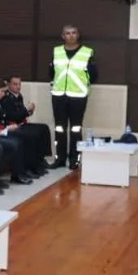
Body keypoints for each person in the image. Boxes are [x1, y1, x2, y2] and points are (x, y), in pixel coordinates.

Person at [49, 25, 97, 169]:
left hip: (78, 97)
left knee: (75, 129)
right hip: (58, 96)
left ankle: (75, 159)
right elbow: (51, 72)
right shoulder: (56, 51)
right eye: (68, 33)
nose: (71, 36)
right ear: (63, 36)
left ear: (78, 35)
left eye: (74, 33)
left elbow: (93, 76)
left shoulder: (87, 52)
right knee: (59, 129)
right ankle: (60, 159)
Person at [0, 77, 49, 177]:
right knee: (26, 137)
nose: (3, 94)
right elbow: (4, 117)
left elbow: (7, 116)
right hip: (0, 129)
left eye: (4, 91)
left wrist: (27, 112)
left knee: (41, 129)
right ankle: (25, 170)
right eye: (1, 91)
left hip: (7, 126)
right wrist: (8, 127)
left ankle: (36, 163)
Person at [2, 75, 53, 166]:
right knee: (33, 134)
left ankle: (41, 158)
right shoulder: (6, 97)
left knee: (44, 128)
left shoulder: (19, 96)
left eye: (19, 84)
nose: (18, 86)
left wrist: (29, 112)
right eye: (15, 84)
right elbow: (12, 116)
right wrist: (26, 110)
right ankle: (32, 164)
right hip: (13, 125)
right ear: (9, 84)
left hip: (21, 123)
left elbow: (21, 114)